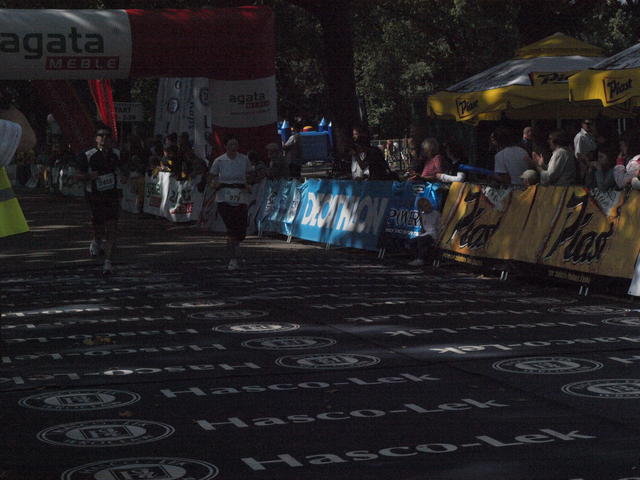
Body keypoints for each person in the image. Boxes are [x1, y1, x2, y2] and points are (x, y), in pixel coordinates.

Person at [76, 127, 122, 274]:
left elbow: (123, 169)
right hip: (95, 196)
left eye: (107, 136)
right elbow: (78, 175)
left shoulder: (117, 154)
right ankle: (96, 240)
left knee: (112, 228)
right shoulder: (88, 155)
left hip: (112, 196)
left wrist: (124, 175)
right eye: (101, 135)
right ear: (96, 138)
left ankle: (108, 262)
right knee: (99, 227)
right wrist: (89, 176)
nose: (104, 138)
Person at [207, 136, 252, 271]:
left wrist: (249, 182)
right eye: (231, 144)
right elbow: (211, 177)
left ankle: (237, 242)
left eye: (235, 144)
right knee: (231, 227)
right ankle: (232, 258)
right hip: (224, 196)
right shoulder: (219, 161)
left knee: (241, 228)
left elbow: (250, 174)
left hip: (240, 195)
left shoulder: (244, 159)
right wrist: (214, 184)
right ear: (225, 146)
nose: (233, 147)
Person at [408, 197, 441, 267]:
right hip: (426, 234)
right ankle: (417, 258)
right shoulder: (423, 215)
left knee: (421, 240)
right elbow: (423, 228)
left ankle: (420, 259)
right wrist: (421, 232)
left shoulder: (436, 214)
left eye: (428, 205)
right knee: (412, 241)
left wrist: (438, 239)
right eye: (425, 206)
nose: (428, 207)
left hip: (433, 235)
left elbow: (439, 227)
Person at [574, 119, 597, 184]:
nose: (588, 125)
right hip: (584, 165)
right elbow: (578, 154)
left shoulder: (590, 135)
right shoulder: (580, 136)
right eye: (586, 123)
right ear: (582, 124)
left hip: (591, 164)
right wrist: (587, 163)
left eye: (590, 124)